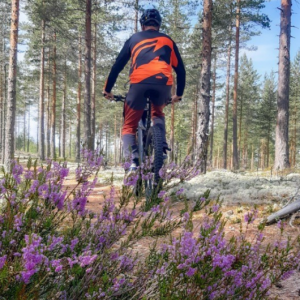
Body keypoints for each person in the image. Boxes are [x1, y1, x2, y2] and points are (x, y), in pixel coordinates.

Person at [103, 8, 186, 172]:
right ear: (159, 25)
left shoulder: (134, 39)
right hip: (163, 84)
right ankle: (161, 146)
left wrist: (107, 90)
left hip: (138, 84)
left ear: (142, 25)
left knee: (128, 127)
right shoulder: (168, 40)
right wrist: (179, 94)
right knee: (158, 114)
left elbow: (117, 66)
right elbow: (181, 70)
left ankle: (132, 161)